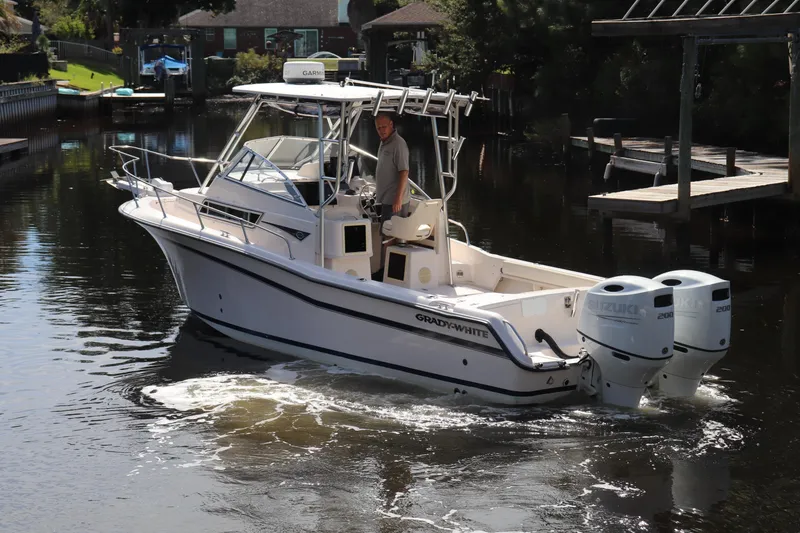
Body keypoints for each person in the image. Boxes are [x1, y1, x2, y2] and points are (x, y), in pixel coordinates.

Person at [373, 112, 410, 278]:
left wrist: (398, 199)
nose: (381, 130)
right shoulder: (384, 143)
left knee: (389, 238)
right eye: (378, 127)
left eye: (384, 127)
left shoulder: (398, 144)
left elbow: (404, 172)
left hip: (394, 201)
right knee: (385, 236)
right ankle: (384, 271)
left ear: (391, 125)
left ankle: (386, 275)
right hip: (385, 199)